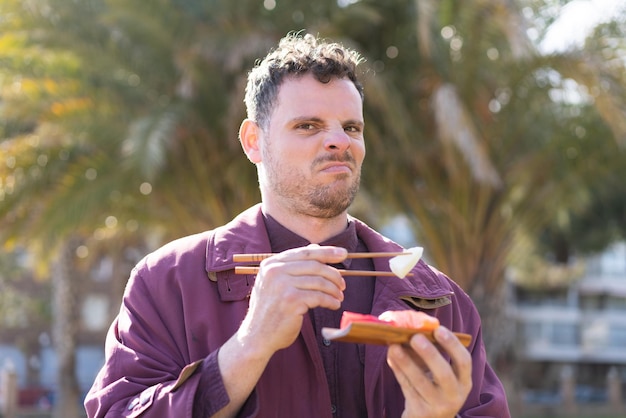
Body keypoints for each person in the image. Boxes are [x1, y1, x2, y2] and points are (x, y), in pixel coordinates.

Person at [84, 32, 511, 418]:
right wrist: (249, 345)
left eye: (351, 127)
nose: (339, 141)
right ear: (254, 141)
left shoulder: (441, 302)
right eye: (308, 126)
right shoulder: (168, 282)